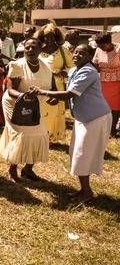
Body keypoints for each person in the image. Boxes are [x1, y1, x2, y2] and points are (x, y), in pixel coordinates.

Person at [33, 44, 112, 203]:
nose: (76, 55)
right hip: (84, 117)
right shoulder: (74, 70)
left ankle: (86, 192)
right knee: (77, 152)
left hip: (95, 118)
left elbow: (70, 93)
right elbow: (73, 94)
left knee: (82, 154)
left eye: (82, 54)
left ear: (90, 57)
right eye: (75, 52)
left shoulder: (89, 71)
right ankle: (83, 189)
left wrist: (42, 92)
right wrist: (57, 97)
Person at [0, 38, 54, 182]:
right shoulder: (17, 65)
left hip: (35, 105)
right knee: (21, 134)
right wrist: (25, 96)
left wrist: (52, 98)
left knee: (40, 134)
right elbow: (11, 90)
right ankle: (12, 169)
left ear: (41, 49)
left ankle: (28, 169)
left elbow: (53, 88)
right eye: (27, 47)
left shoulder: (47, 65)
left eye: (34, 47)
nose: (30, 50)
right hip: (14, 104)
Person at [36, 23, 74, 141]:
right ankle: (41, 136)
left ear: (56, 36)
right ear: (43, 37)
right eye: (47, 37)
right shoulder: (38, 50)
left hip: (58, 85)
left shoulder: (63, 51)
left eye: (52, 36)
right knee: (42, 110)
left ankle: (53, 136)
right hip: (41, 84)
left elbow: (72, 66)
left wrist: (63, 72)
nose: (50, 39)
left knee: (55, 111)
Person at [91, 31, 120, 136]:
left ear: (110, 42)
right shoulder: (99, 49)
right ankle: (103, 128)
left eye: (103, 45)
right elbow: (95, 63)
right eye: (99, 45)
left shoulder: (118, 49)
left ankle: (113, 129)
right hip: (102, 82)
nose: (101, 48)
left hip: (117, 82)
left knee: (115, 107)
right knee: (103, 106)